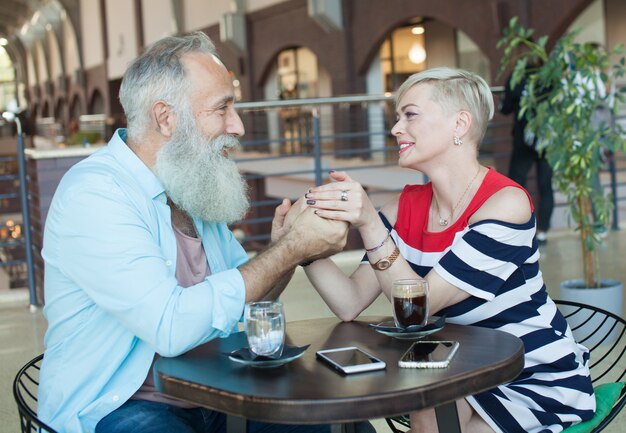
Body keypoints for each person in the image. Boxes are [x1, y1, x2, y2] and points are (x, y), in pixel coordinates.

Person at [38, 32, 350, 433]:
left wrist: (284, 248)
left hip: (213, 392)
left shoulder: (186, 183)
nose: (236, 126)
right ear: (166, 118)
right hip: (120, 404)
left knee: (330, 423)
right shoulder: (96, 194)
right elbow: (170, 328)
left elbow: (247, 301)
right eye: (222, 109)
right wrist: (290, 249)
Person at [288, 68, 595, 432]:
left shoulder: (505, 204)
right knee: (427, 404)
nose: (396, 128)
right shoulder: (405, 208)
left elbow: (420, 308)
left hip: (530, 375)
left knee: (431, 407)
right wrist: (298, 245)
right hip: (460, 372)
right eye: (397, 117)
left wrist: (369, 223)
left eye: (410, 115)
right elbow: (350, 301)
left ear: (460, 124)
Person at [500, 62, 554, 245]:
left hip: (523, 141)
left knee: (515, 186)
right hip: (547, 140)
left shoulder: (516, 77)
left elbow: (505, 108)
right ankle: (543, 233)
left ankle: (518, 230)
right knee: (545, 186)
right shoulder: (549, 76)